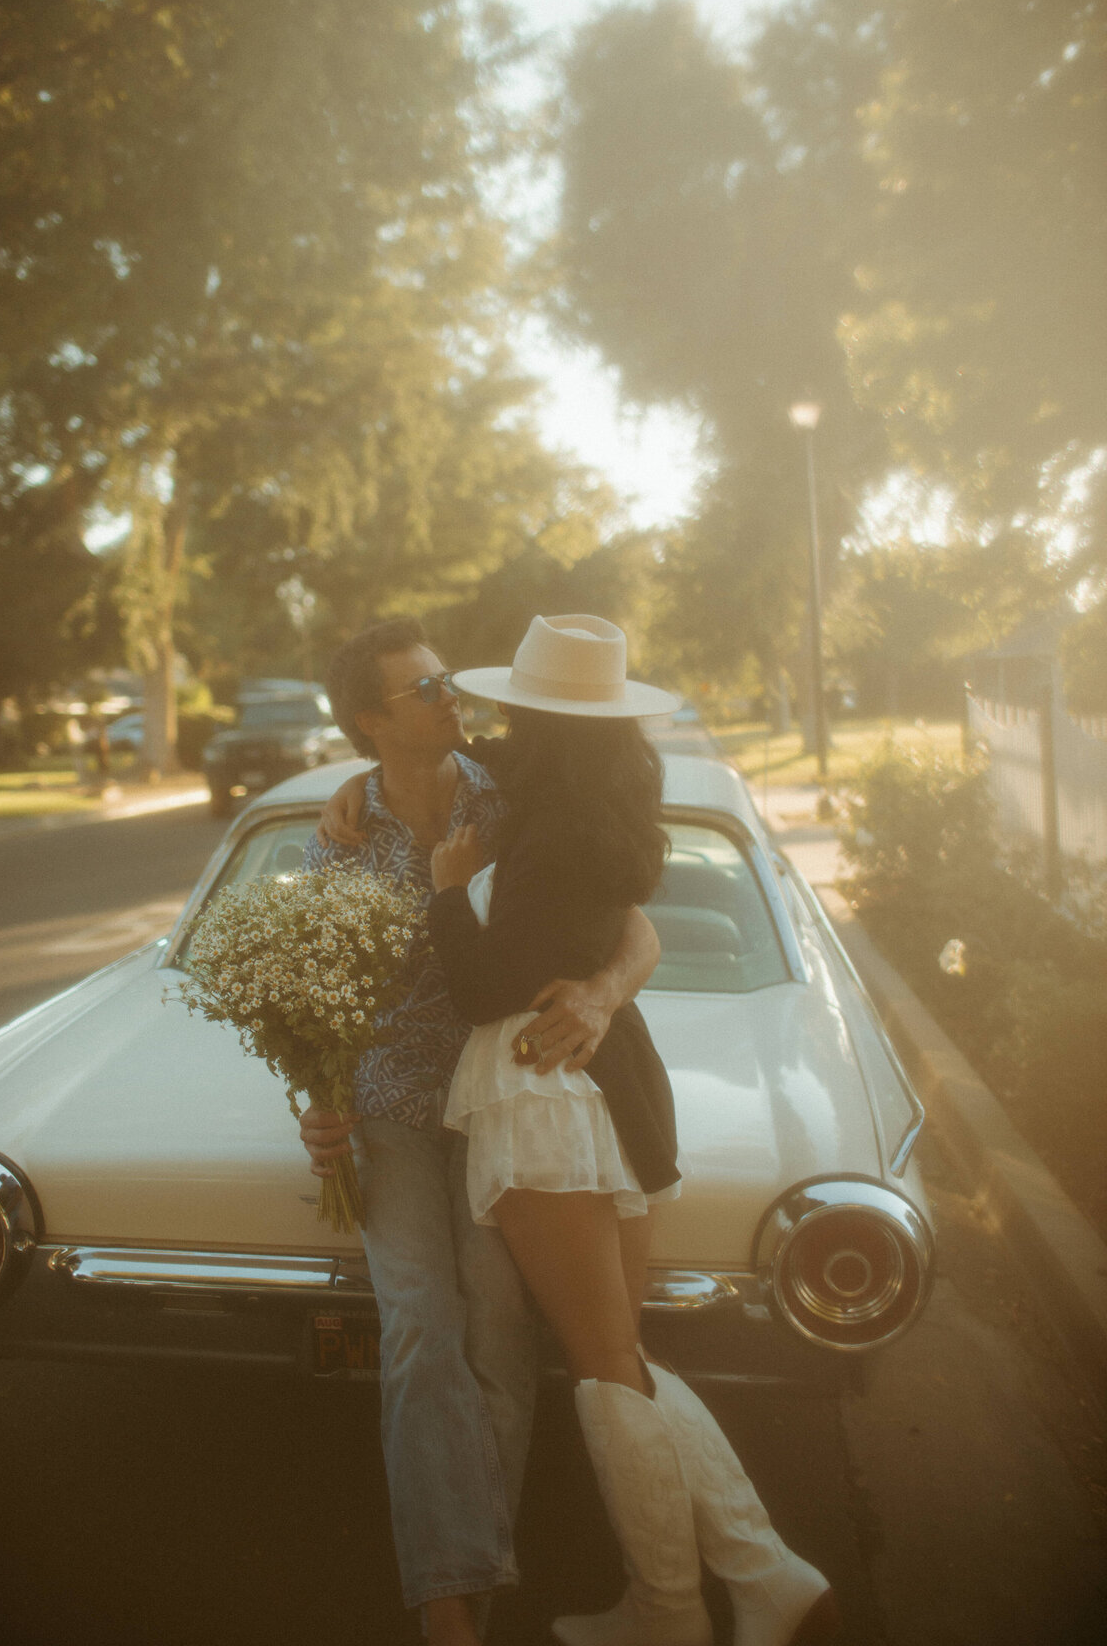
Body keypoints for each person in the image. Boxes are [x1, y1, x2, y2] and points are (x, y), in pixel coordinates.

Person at [425, 614, 840, 1646]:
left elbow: (484, 989)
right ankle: (761, 1577)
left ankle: (672, 1611)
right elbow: (623, 925)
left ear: (537, 719)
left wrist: (443, 893)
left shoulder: (551, 834)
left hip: (545, 1093)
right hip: (615, 1088)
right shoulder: (604, 806)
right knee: (624, 1358)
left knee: (607, 1365)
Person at [298, 616, 662, 1646]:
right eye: (422, 690)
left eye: (447, 680)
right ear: (371, 722)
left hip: (501, 1092)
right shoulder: (341, 835)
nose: (449, 697)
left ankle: (472, 1577)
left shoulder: (515, 798)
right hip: (391, 1104)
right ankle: (447, 1607)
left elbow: (630, 916)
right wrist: (315, 1101)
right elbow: (323, 998)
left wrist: (598, 992)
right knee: (421, 1323)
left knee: (500, 1332)